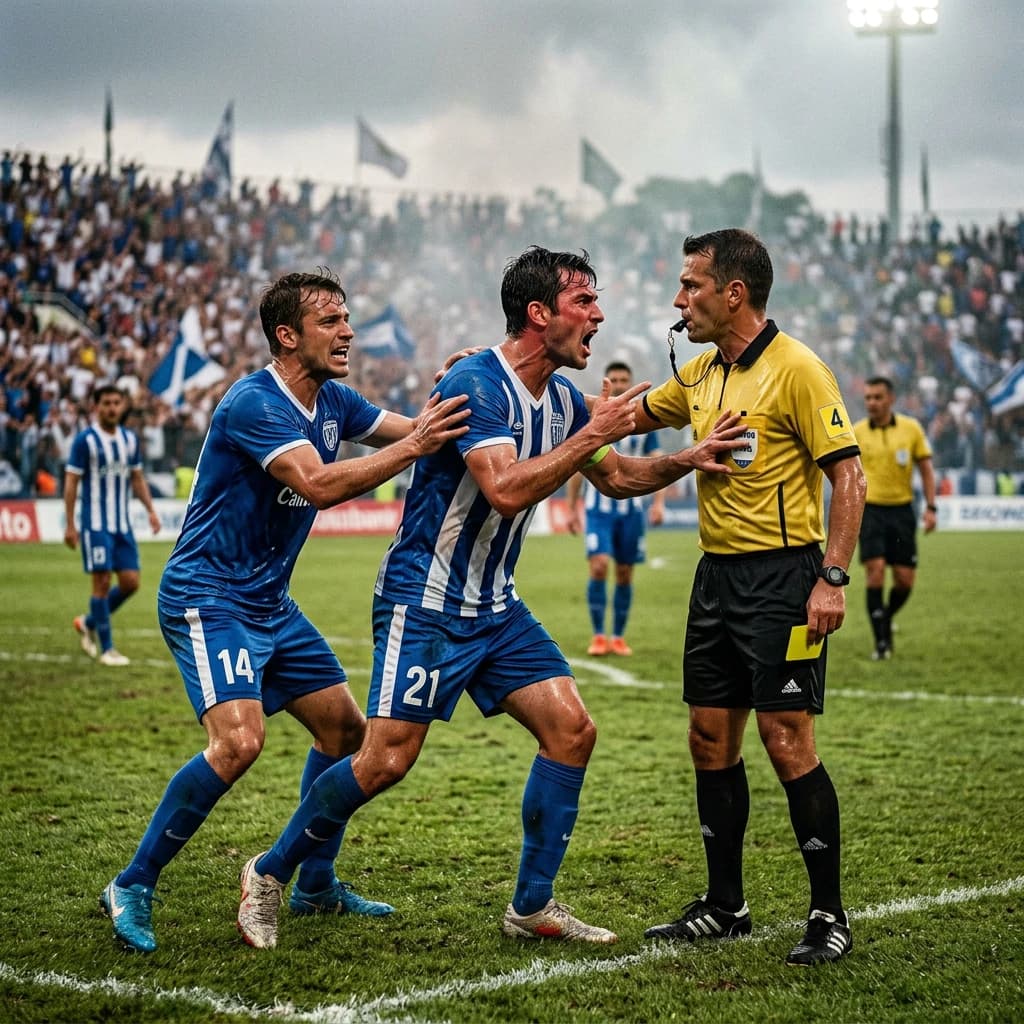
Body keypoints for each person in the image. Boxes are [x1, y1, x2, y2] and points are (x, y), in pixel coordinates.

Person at [234, 246, 747, 950]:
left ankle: (532, 906)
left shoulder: (562, 400)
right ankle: (268, 871)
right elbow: (503, 489)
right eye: (584, 302)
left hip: (495, 607)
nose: (598, 315)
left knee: (572, 730)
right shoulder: (478, 382)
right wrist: (592, 436)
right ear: (539, 314)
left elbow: (619, 478)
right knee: (385, 760)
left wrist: (685, 459)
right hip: (426, 601)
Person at [99, 269, 472, 953]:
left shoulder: (334, 400)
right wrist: (416, 445)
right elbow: (319, 483)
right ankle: (133, 882)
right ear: (287, 335)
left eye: (346, 317)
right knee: (239, 743)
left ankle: (315, 884)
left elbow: (425, 431)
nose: (347, 331)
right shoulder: (254, 402)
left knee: (345, 731)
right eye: (330, 321)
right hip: (208, 596)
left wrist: (465, 386)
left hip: (270, 602)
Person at [634, 230, 866, 966]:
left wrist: (832, 577)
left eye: (691, 285)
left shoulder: (798, 369)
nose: (679, 299)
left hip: (784, 581)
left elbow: (849, 476)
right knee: (708, 737)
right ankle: (725, 905)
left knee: (786, 739)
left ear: (734, 293)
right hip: (716, 579)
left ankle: (828, 913)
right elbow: (630, 414)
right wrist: (528, 381)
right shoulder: (701, 373)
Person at [566, 360, 666, 656]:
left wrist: (658, 503)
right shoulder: (593, 419)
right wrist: (571, 509)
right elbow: (577, 464)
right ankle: (599, 636)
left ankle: (618, 637)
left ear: (630, 382)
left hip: (632, 512)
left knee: (624, 573)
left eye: (624, 379)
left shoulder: (644, 424)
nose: (620, 384)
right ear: (606, 384)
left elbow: (657, 463)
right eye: (615, 379)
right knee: (598, 566)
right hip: (598, 510)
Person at [64, 385, 162, 666]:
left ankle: (88, 622)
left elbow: (137, 479)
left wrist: (151, 510)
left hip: (122, 525)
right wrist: (70, 524)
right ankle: (107, 650)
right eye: (106, 403)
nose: (111, 408)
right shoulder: (85, 441)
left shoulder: (129, 440)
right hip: (96, 525)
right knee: (102, 582)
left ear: (122, 406)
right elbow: (71, 481)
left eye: (116, 403)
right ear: (96, 407)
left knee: (131, 583)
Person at [853, 376, 937, 660]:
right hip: (871, 511)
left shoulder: (911, 429)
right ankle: (881, 643)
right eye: (868, 398)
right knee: (875, 571)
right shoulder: (857, 432)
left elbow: (926, 469)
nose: (872, 403)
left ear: (891, 399)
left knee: (904, 580)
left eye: (878, 397)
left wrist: (931, 507)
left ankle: (885, 617)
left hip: (902, 511)